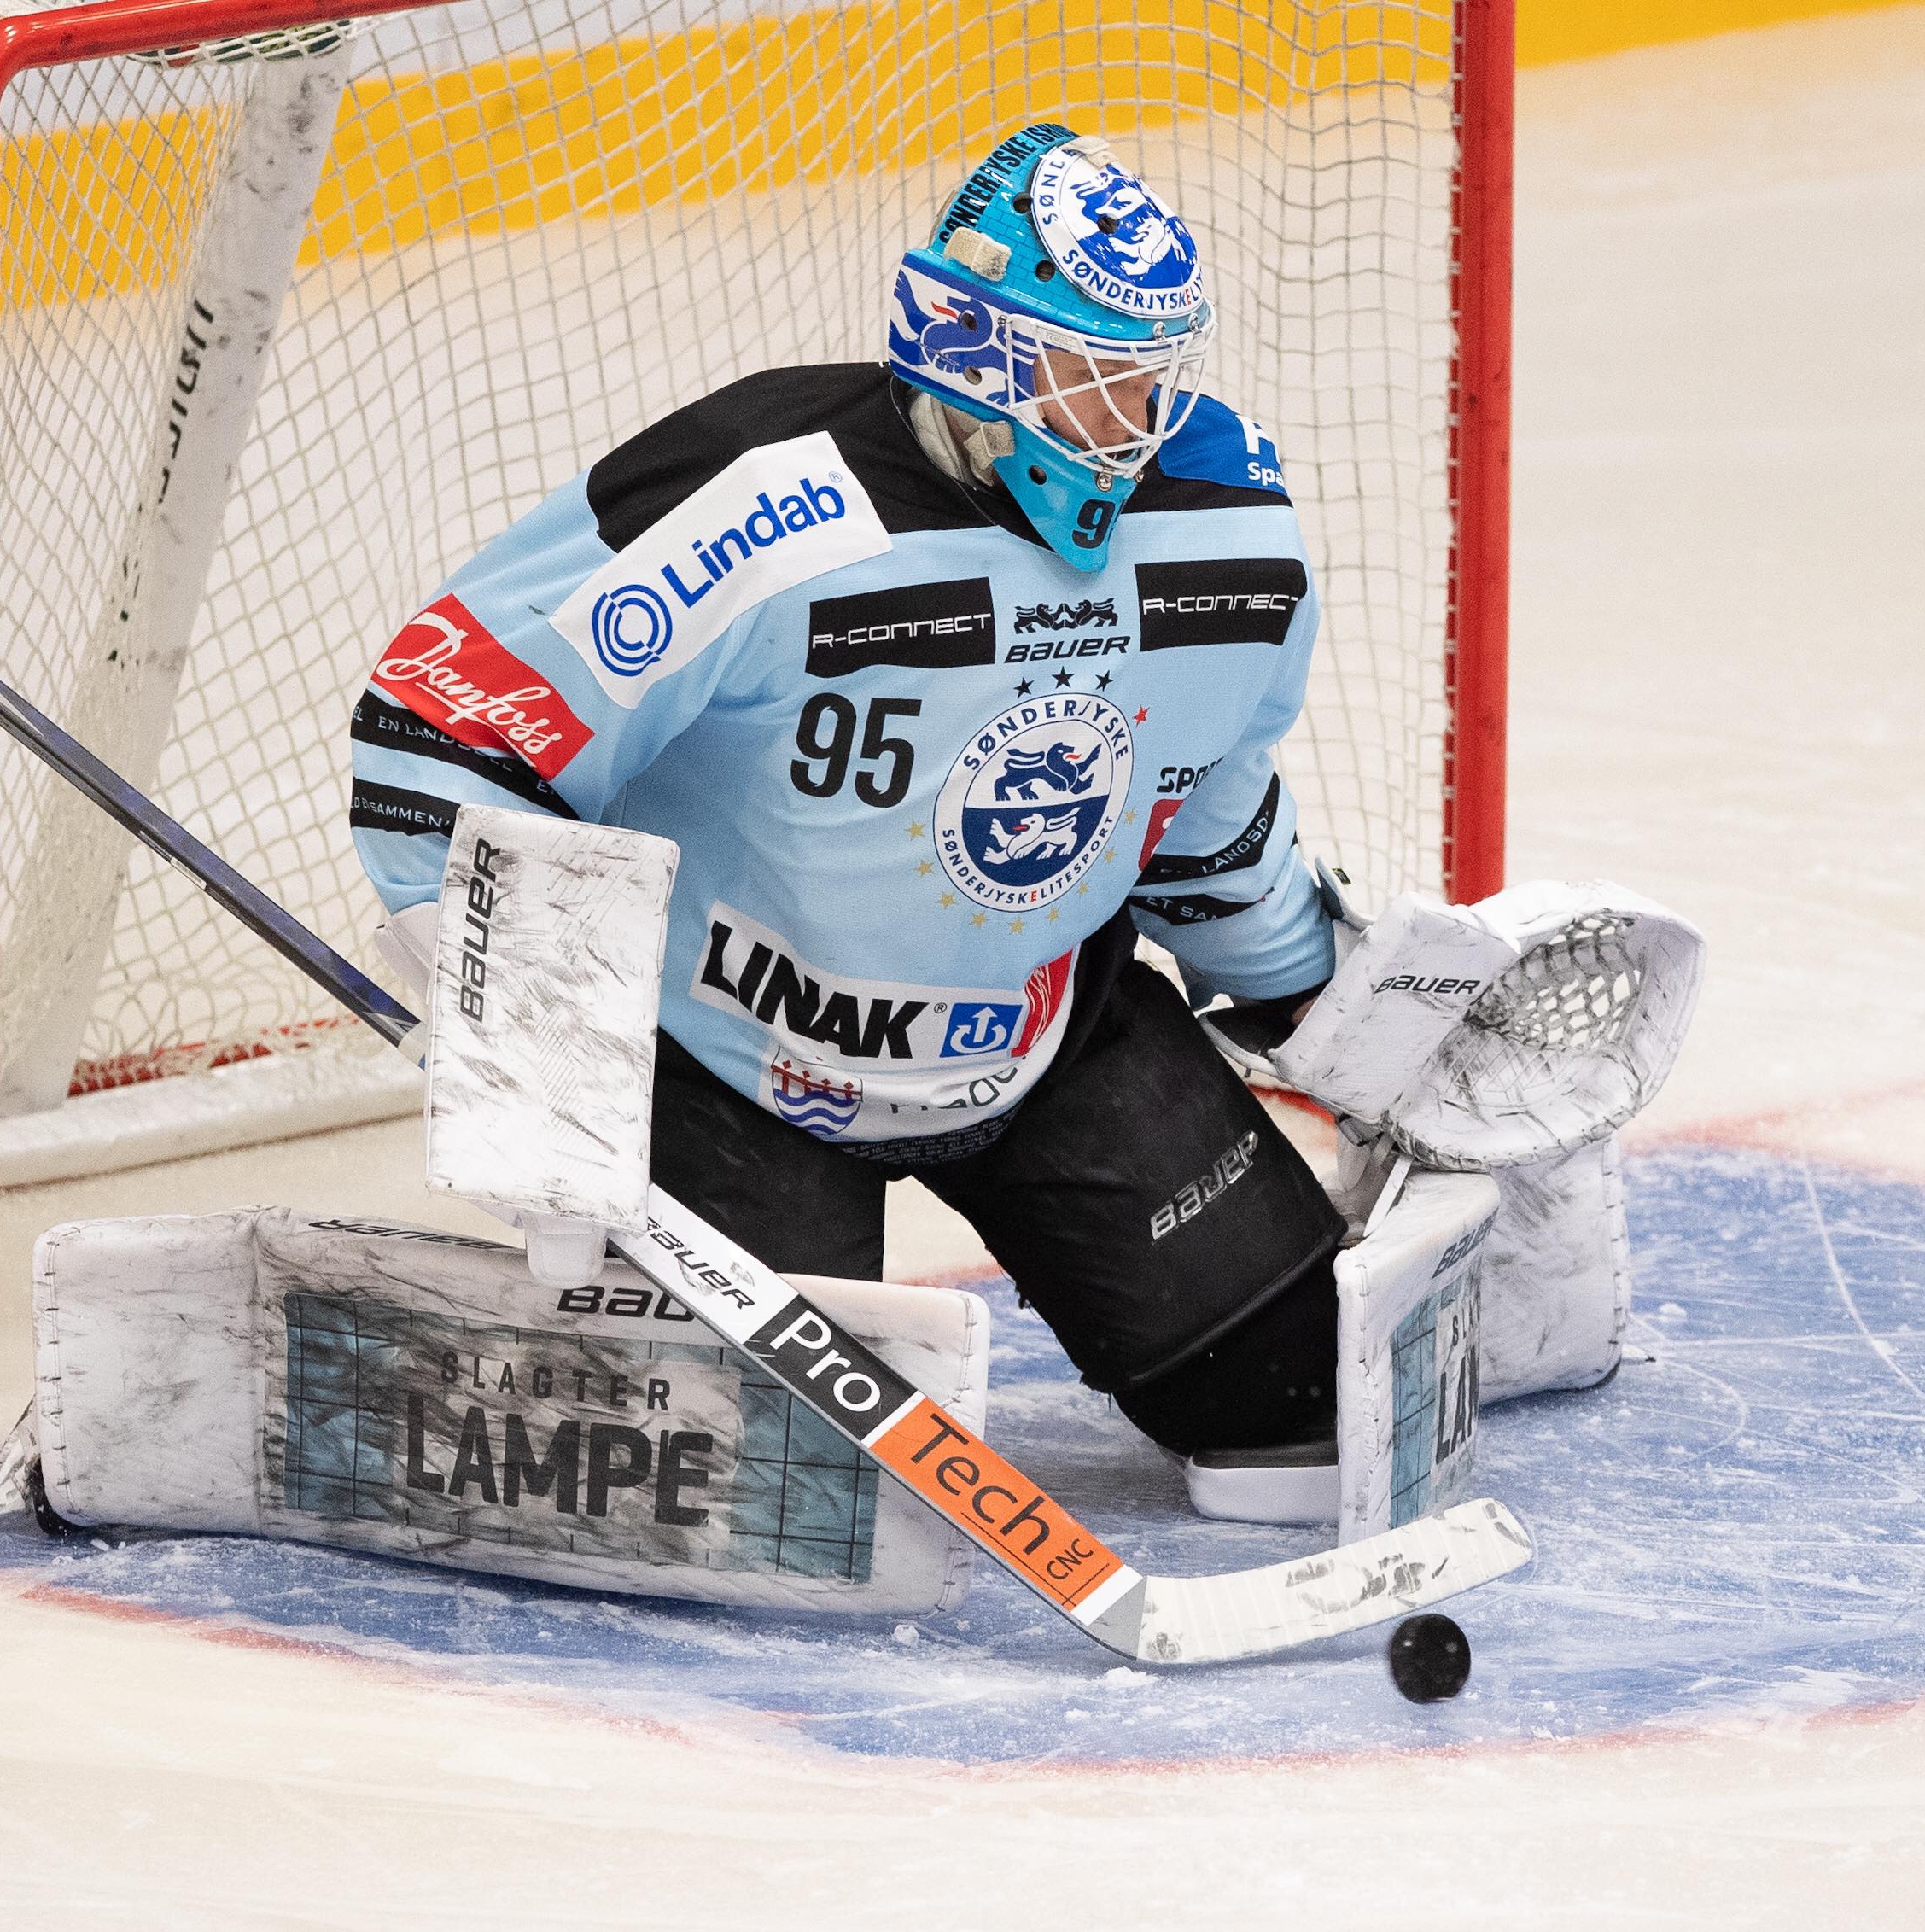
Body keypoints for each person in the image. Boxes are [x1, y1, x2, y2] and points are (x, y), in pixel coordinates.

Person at [349, 123, 1349, 1460]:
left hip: (1045, 1033)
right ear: (969, 344)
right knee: (754, 1477)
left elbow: (1197, 812)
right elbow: (442, 737)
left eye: (1150, 378)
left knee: (1292, 1397)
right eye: (1090, 376)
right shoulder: (759, 500)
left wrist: (1323, 1008)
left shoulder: (1223, 518)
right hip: (723, 1065)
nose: (1131, 425)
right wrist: (534, 1059)